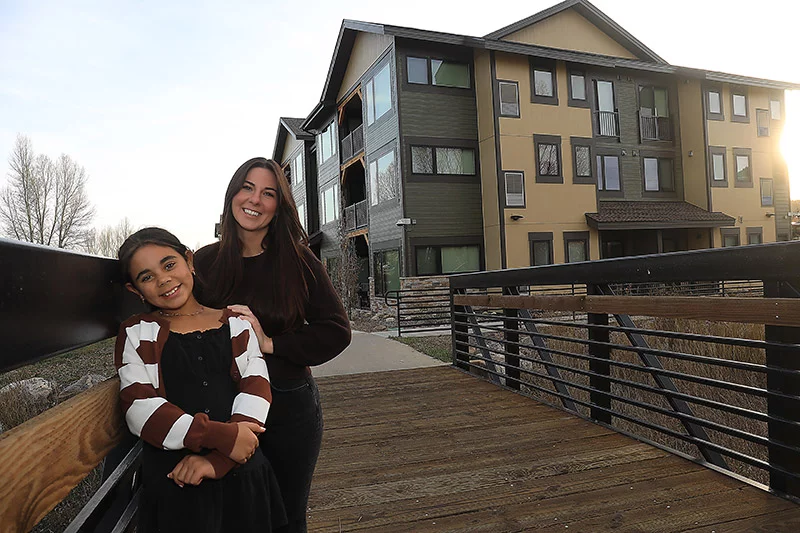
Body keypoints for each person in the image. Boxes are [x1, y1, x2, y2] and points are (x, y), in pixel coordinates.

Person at [193, 157, 351, 533]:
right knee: (233, 515)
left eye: (268, 193)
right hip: (221, 408)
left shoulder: (299, 262)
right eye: (247, 187)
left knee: (285, 516)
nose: (255, 200)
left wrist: (269, 342)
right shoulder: (204, 262)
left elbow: (336, 330)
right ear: (232, 194)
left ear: (279, 205)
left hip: (288, 409)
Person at [114, 227, 286, 533]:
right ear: (135, 291)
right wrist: (221, 438)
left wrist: (219, 461)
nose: (164, 279)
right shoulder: (137, 333)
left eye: (169, 265)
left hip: (242, 474)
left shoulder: (235, 322)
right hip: (178, 481)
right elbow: (139, 408)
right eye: (147, 277)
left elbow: (257, 388)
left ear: (189, 260)